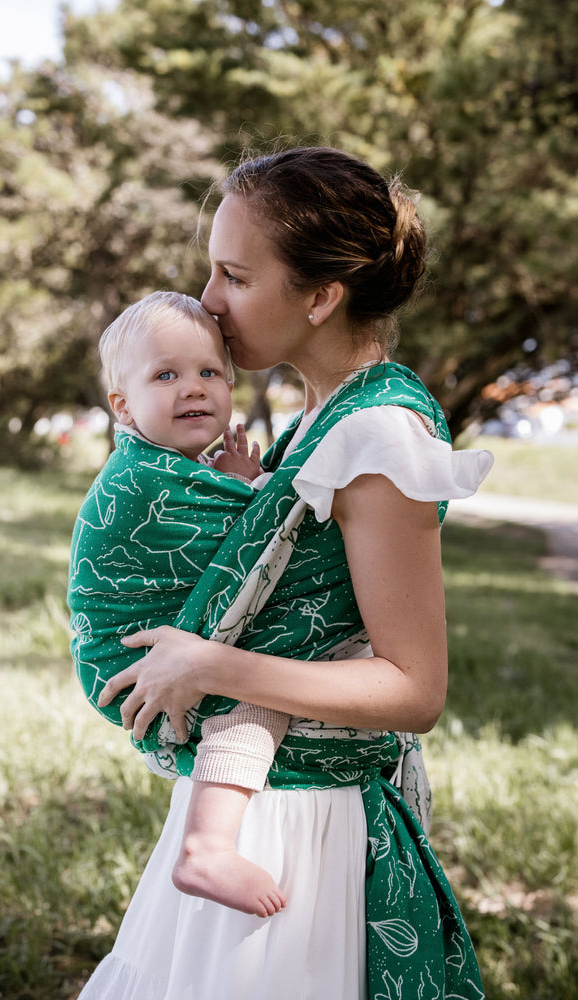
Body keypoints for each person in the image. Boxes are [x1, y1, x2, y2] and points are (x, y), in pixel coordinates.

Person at [77, 147, 494, 1000]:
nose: (207, 301)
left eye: (233, 274)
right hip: (252, 793)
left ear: (319, 295)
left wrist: (208, 664)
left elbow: (414, 688)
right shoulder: (317, 416)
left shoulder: (378, 441)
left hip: (299, 827)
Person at [68, 290, 292, 918]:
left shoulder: (175, 466)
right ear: (124, 406)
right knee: (259, 689)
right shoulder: (143, 475)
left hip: (142, 642)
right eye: (165, 374)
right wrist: (253, 492)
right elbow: (257, 540)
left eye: (209, 372)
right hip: (129, 655)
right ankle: (207, 846)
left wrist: (234, 482)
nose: (193, 387)